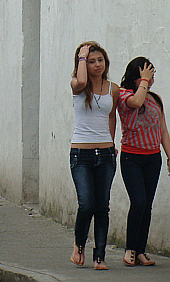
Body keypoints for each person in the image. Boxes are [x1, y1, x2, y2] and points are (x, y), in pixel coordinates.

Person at [69, 41, 118, 270]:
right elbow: (80, 81)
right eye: (91, 61)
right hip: (81, 154)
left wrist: (112, 141)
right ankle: (79, 245)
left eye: (100, 60)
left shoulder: (112, 88)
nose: (97, 64)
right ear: (83, 64)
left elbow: (111, 117)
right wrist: (82, 54)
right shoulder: (77, 86)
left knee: (102, 206)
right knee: (86, 204)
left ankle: (100, 256)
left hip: (105, 154)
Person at [117, 57, 170, 267]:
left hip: (152, 158)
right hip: (132, 157)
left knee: (147, 205)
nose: (150, 80)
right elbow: (136, 103)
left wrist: (169, 155)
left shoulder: (155, 99)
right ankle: (130, 248)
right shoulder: (124, 95)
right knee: (138, 202)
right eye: (146, 75)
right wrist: (143, 82)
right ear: (135, 77)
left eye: (152, 76)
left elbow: (163, 130)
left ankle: (140, 250)